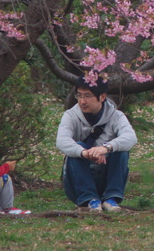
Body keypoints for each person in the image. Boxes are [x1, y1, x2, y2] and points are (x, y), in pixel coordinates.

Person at [56, 77, 137, 213]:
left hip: (105, 174)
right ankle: (90, 200)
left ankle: (111, 199)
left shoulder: (116, 116)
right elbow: (61, 141)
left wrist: (106, 148)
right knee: (77, 147)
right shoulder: (71, 116)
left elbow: (131, 137)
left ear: (102, 97)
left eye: (87, 96)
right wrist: (84, 153)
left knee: (121, 149)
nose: (82, 101)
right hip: (78, 181)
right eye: (79, 95)